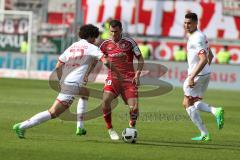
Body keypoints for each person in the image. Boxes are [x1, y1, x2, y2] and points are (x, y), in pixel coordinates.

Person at [12, 24, 120, 139]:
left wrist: (61, 80)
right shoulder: (92, 48)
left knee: (85, 93)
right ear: (90, 36)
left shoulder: (73, 46)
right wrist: (116, 71)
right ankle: (22, 126)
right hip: (72, 85)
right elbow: (106, 62)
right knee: (53, 112)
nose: (95, 40)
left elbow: (59, 64)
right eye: (94, 37)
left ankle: (80, 127)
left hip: (67, 82)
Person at [99, 19, 144, 140]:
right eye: (112, 31)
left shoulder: (130, 43)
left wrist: (138, 73)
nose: (114, 34)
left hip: (129, 80)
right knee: (105, 101)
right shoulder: (104, 45)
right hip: (113, 79)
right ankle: (110, 129)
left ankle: (131, 126)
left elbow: (140, 59)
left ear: (121, 30)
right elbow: (99, 57)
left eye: (116, 31)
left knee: (134, 108)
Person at [183, 12, 224, 141]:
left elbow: (204, 58)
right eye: (185, 23)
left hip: (197, 74)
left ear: (196, 23)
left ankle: (204, 133)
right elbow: (210, 55)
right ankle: (215, 111)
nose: (186, 25)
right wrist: (205, 71)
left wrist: (192, 77)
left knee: (186, 102)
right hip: (204, 73)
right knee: (194, 101)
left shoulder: (196, 38)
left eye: (189, 23)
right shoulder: (200, 35)